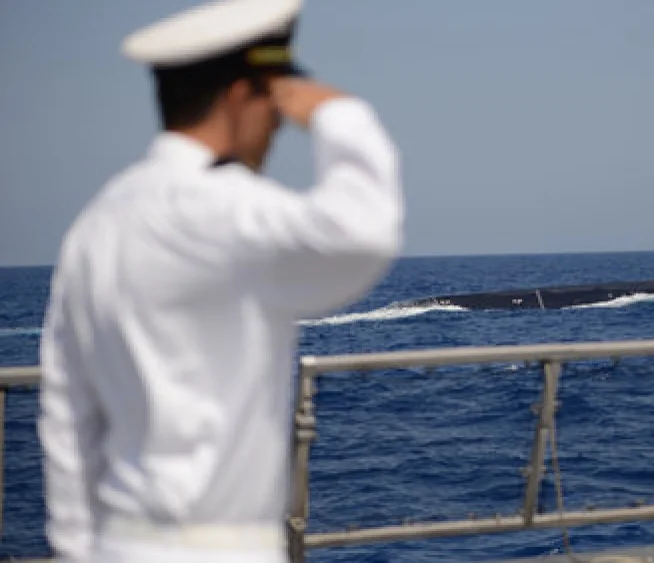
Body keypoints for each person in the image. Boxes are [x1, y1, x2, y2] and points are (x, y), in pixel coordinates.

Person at [36, 1, 404, 562]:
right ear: (242, 95)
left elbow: (66, 420)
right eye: (275, 99)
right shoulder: (229, 209)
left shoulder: (96, 223)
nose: (280, 122)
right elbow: (365, 235)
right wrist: (338, 114)